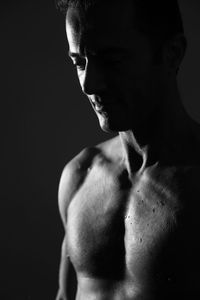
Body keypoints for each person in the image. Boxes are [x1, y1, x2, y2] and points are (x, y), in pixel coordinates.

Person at [55, 0, 200, 299]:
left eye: (111, 60)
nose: (88, 83)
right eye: (78, 63)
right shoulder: (79, 176)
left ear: (171, 54)